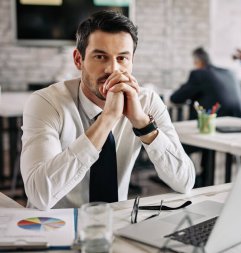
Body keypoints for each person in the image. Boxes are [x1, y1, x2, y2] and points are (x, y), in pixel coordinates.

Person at [20, 11, 195, 210]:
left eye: (122, 58)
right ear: (79, 59)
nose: (112, 69)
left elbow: (185, 181)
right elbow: (40, 195)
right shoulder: (46, 102)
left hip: (113, 226)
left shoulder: (146, 101)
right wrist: (107, 120)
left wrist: (143, 124)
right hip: (55, 226)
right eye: (100, 56)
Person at [170, 47, 241, 119]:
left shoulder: (199, 74)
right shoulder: (230, 73)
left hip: (210, 122)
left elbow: (175, 98)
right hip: (238, 118)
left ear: (198, 62)